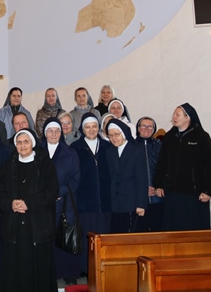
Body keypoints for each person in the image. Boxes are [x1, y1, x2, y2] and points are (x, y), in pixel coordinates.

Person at [0, 129, 59, 292]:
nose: (22, 145)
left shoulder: (45, 164)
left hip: (38, 226)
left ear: (33, 143)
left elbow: (52, 192)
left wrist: (29, 203)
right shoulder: (8, 165)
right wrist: (10, 203)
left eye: (26, 142)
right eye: (19, 142)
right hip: (14, 226)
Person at [153, 103, 211, 231]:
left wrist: (208, 189)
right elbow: (162, 163)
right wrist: (158, 185)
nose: (174, 117)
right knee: (173, 229)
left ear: (188, 117)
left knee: (193, 230)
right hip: (172, 193)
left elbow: (210, 164)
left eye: (178, 115)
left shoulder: (201, 137)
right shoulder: (169, 137)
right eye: (174, 114)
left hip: (195, 194)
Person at [69, 113, 112, 275]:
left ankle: (103, 269)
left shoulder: (107, 146)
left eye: (94, 126)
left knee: (104, 236)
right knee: (87, 237)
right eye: (88, 127)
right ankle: (86, 269)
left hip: (105, 201)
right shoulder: (75, 148)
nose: (91, 130)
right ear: (82, 129)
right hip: (85, 202)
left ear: (99, 128)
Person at [41, 118, 81, 285]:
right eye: (50, 131)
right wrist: (46, 193)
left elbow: (75, 179)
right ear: (45, 133)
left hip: (64, 203)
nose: (53, 134)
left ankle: (68, 273)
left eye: (57, 131)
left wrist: (59, 191)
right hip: (43, 204)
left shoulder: (70, 153)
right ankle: (48, 273)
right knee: (45, 240)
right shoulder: (37, 152)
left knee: (64, 237)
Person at [105, 119, 148, 233]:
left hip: (132, 202)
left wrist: (141, 204)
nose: (114, 138)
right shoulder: (109, 151)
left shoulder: (136, 150)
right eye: (110, 135)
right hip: (115, 202)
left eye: (116, 134)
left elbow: (142, 179)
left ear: (123, 133)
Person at [135, 116, 164, 231]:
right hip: (137, 200)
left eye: (150, 126)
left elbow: (165, 170)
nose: (146, 129)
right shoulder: (131, 146)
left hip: (157, 198)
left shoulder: (160, 146)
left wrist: (158, 186)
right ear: (138, 128)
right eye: (144, 126)